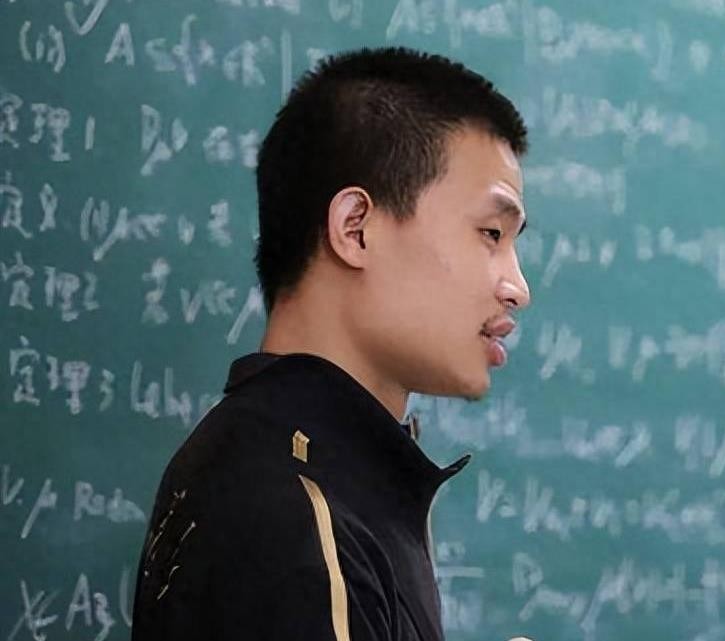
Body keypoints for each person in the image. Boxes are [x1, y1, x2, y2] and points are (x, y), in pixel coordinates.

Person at [131, 46, 532, 641]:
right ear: (355, 228)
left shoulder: (317, 464)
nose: (517, 287)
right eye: (491, 233)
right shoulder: (289, 510)